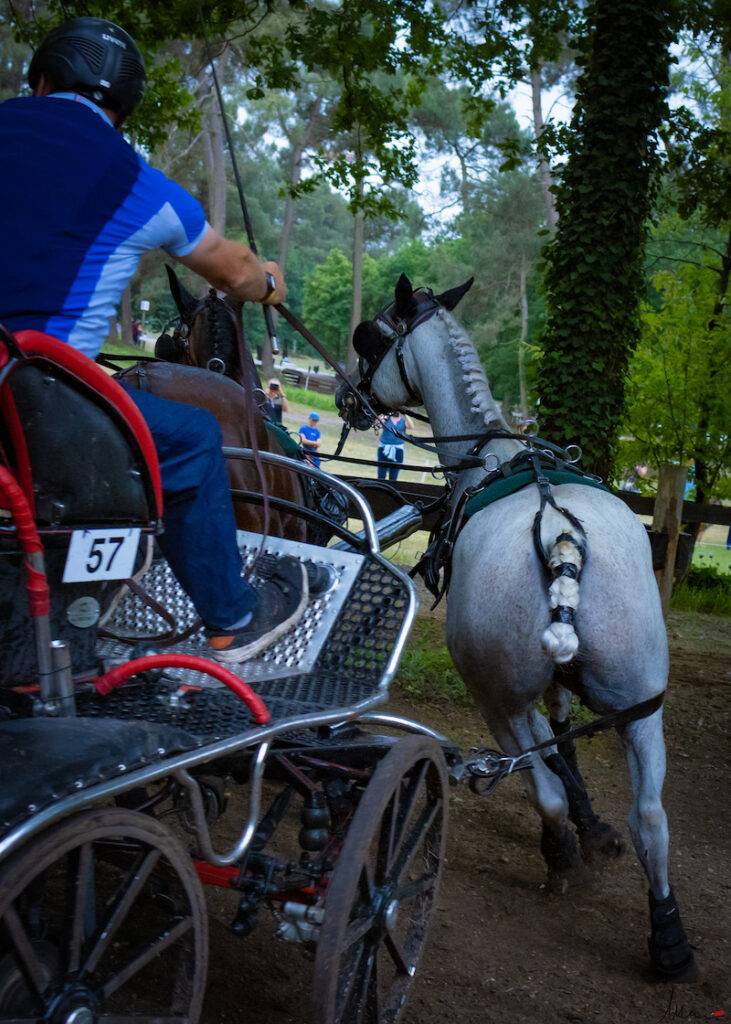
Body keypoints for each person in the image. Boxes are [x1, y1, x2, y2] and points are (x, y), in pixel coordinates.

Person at [0, 17, 308, 663]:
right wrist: (269, 282)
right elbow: (233, 271)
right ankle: (233, 619)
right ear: (122, 109)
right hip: (39, 409)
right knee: (191, 436)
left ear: (41, 82)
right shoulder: (139, 185)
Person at [377, 412, 413, 481]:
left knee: (393, 476)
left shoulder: (403, 421)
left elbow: (411, 426)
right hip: (383, 449)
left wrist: (405, 413)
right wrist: (384, 413)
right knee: (381, 474)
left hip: (398, 450)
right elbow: (378, 422)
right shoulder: (386, 419)